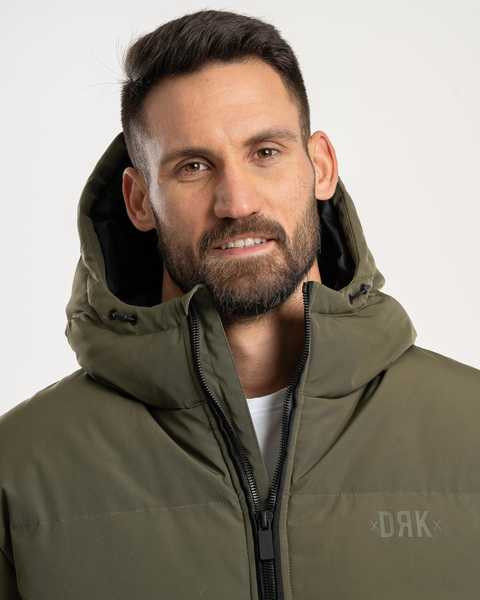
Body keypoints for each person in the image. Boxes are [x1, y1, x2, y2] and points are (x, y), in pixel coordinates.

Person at [1, 8, 479, 599]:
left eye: (266, 152)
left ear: (321, 166)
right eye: (193, 166)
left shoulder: (471, 430)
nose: (236, 201)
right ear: (139, 199)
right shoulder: (19, 471)